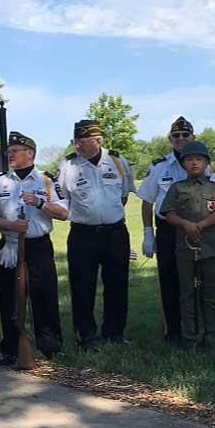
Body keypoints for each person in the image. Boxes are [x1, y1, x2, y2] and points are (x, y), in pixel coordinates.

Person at [0, 132, 69, 364]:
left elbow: (63, 213)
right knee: (9, 298)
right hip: (10, 246)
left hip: (39, 247)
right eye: (8, 152)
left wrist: (40, 203)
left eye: (15, 151)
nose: (10, 155)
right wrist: (10, 225)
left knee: (45, 295)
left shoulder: (47, 180)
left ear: (30, 153)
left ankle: (50, 345)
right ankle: (11, 347)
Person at [138, 116, 215, 342]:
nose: (181, 139)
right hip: (168, 228)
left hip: (199, 228)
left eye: (186, 135)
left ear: (194, 137)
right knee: (169, 279)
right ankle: (173, 331)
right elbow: (147, 201)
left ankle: (201, 328)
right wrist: (148, 233)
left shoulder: (205, 164)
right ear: (170, 139)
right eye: (176, 135)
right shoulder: (158, 167)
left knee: (200, 280)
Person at [56, 119, 136, 350]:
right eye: (76, 141)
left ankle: (114, 332)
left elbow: (123, 196)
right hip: (83, 234)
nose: (78, 146)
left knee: (117, 284)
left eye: (83, 141)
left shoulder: (117, 161)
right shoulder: (68, 166)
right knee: (82, 285)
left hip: (115, 232)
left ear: (98, 141)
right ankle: (86, 336)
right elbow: (63, 199)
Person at [159, 141, 215, 353]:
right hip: (185, 248)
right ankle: (191, 339)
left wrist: (200, 225)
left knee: (213, 293)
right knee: (188, 293)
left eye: (198, 159)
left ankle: (214, 339)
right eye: (189, 160)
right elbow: (169, 213)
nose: (194, 163)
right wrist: (185, 224)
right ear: (183, 164)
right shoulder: (177, 188)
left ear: (206, 162)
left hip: (211, 247)